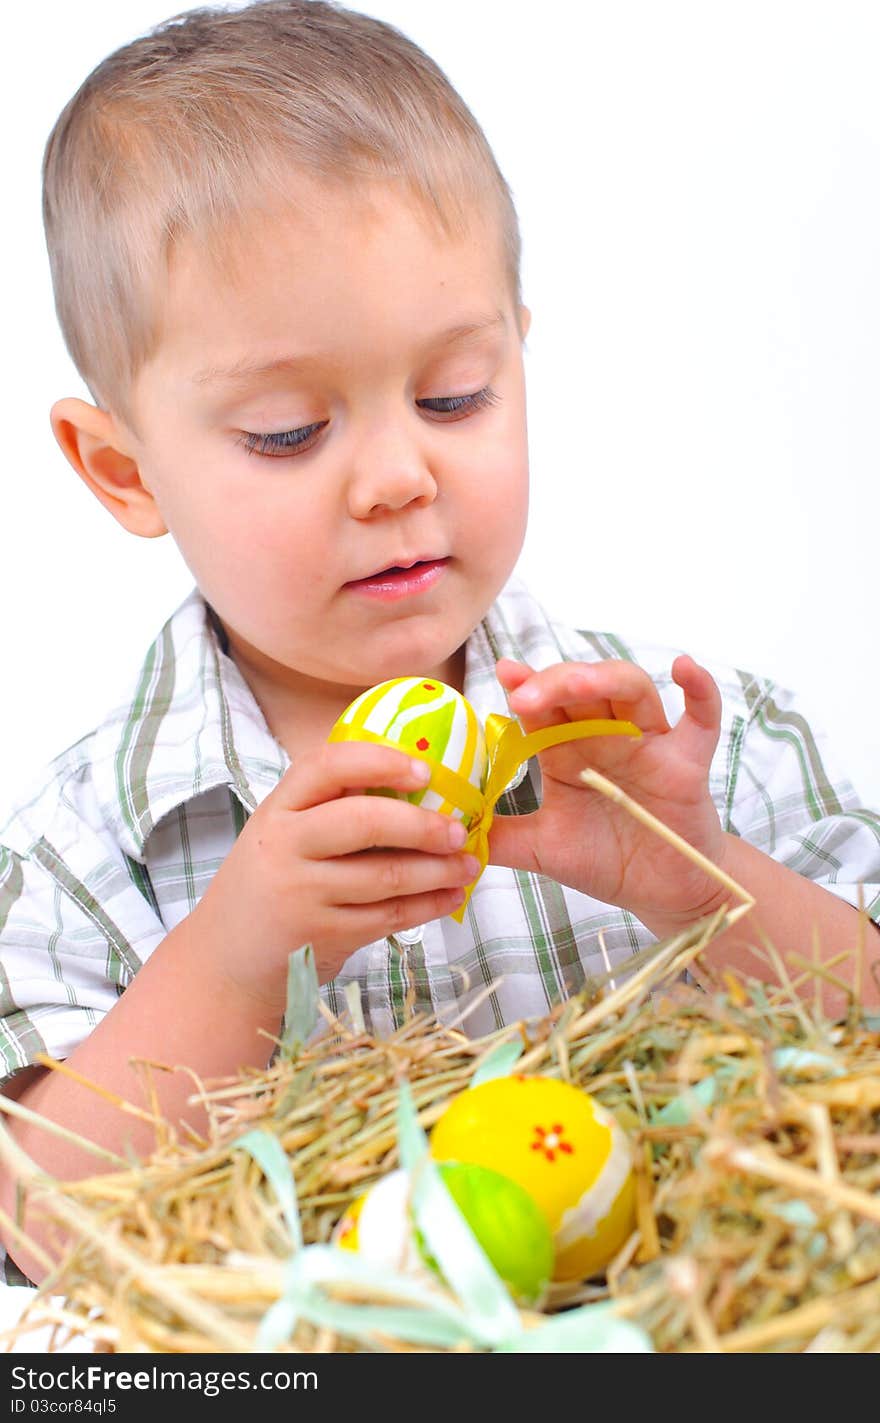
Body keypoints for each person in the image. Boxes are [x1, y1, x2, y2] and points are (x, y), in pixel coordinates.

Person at [1, 0, 878, 1286]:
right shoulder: (84, 851)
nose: (397, 476)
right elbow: (35, 1228)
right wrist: (239, 952)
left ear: (518, 355)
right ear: (122, 470)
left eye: (454, 396)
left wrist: (703, 879)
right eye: (290, 430)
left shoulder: (700, 744)